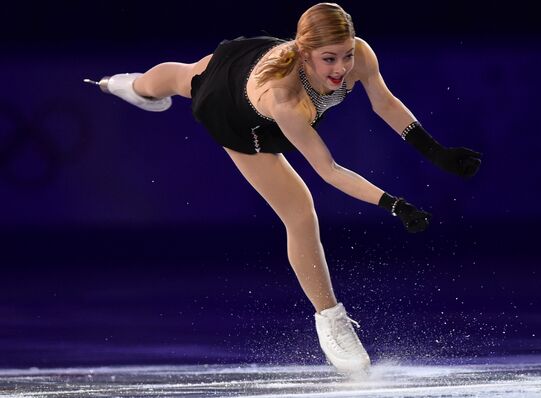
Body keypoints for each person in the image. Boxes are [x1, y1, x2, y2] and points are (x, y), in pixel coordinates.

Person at [85, 2, 481, 374]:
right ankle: (330, 319)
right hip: (236, 114)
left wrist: (438, 153)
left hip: (251, 66)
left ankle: (124, 84)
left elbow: (386, 103)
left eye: (345, 54)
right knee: (298, 209)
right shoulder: (284, 98)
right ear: (305, 52)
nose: (341, 68)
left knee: (182, 75)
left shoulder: (359, 54)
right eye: (329, 59)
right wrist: (393, 204)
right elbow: (328, 169)